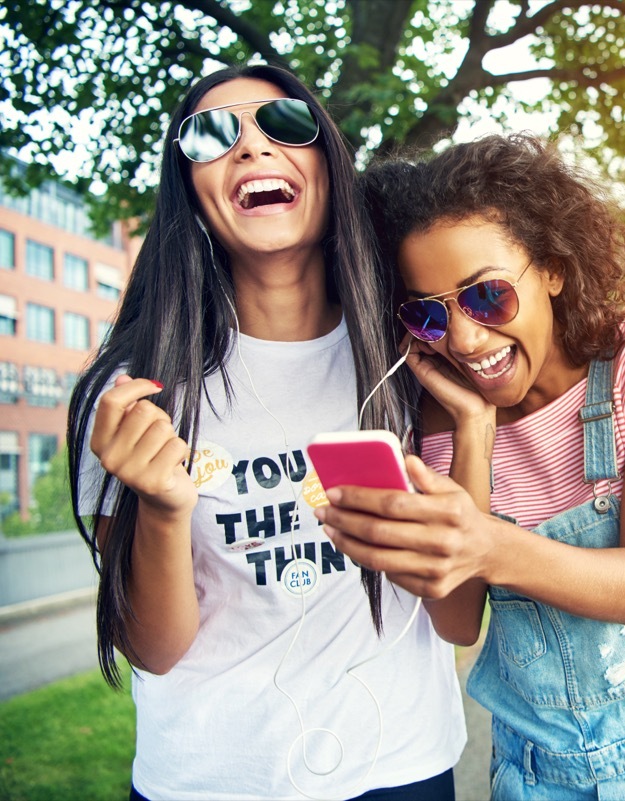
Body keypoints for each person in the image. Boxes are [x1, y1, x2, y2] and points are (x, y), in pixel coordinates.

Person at [320, 134, 625, 800]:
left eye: (486, 297)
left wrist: (483, 543)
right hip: (536, 775)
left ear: (553, 269)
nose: (464, 339)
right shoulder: (442, 419)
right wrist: (474, 431)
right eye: (428, 314)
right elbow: (457, 622)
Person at [66, 64, 466, 801]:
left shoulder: (412, 353)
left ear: (328, 166)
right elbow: (153, 648)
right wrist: (161, 507)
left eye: (282, 124)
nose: (251, 148)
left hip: (400, 768)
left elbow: (458, 610)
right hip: (207, 780)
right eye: (213, 135)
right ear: (189, 190)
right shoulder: (134, 392)